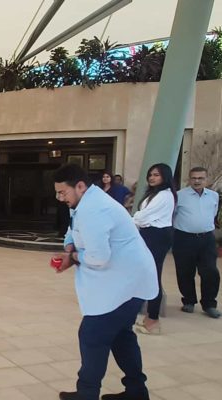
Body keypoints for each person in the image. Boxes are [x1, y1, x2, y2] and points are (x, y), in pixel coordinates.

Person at [52, 164, 157, 400]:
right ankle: (136, 392)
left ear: (80, 186)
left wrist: (73, 257)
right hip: (125, 281)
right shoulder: (83, 202)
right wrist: (69, 246)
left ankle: (87, 395)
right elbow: (73, 229)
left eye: (62, 192)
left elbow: (98, 257)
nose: (60, 198)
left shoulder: (95, 209)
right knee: (121, 336)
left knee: (92, 336)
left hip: (126, 283)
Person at [132, 164, 176, 334]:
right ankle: (149, 317)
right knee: (146, 274)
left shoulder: (165, 195)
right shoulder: (154, 194)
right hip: (149, 234)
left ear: (165, 176)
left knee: (153, 275)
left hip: (157, 235)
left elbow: (143, 217)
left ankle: (153, 319)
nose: (152, 177)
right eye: (150, 174)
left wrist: (129, 221)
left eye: (156, 175)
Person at [172, 167, 220, 319]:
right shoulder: (179, 195)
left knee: (210, 271)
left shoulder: (213, 196)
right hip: (184, 238)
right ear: (189, 179)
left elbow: (213, 214)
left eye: (200, 178)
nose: (197, 181)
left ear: (206, 179)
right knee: (185, 271)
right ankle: (189, 301)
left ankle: (209, 304)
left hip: (206, 239)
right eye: (194, 178)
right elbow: (172, 215)